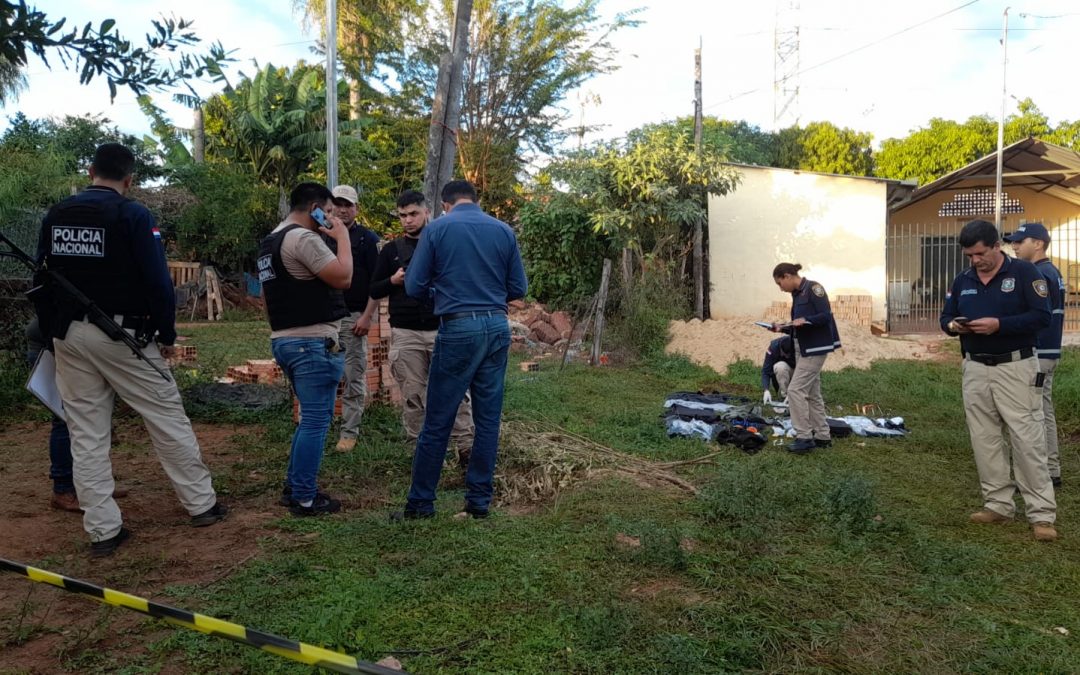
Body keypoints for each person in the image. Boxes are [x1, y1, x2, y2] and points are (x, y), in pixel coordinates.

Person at [35, 143, 226, 557]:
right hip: (124, 335)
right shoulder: (132, 214)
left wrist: (54, 331)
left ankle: (103, 529)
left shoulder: (57, 214)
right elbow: (158, 282)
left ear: (90, 170)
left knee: (85, 433)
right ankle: (201, 504)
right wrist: (167, 333)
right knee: (165, 415)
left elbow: (41, 279)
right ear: (129, 179)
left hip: (68, 335)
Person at [395, 180, 527, 520]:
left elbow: (413, 285)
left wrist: (442, 289)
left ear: (445, 205)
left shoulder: (437, 230)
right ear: (476, 201)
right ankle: (478, 503)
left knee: (438, 420)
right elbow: (518, 288)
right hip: (498, 327)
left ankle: (421, 504)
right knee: (487, 421)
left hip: (458, 327)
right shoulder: (503, 230)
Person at [941, 219, 1056, 542]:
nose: (975, 261)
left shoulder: (1024, 274)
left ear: (996, 246)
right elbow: (946, 317)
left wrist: (999, 325)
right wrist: (953, 327)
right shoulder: (963, 279)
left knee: (1026, 438)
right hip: (975, 368)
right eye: (969, 256)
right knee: (984, 437)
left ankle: (1042, 513)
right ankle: (998, 504)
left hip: (1015, 367)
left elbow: (1041, 316)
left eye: (980, 254)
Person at [258, 182, 353, 516]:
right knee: (315, 421)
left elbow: (266, 301)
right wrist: (341, 237)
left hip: (285, 340)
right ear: (313, 206)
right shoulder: (304, 238)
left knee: (307, 420)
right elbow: (342, 278)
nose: (331, 217)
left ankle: (295, 485)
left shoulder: (270, 242)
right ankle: (304, 498)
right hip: (312, 343)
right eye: (327, 211)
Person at [369, 190, 474, 453]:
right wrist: (392, 281)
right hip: (406, 332)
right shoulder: (391, 250)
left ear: (427, 212)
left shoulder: (443, 243)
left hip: (443, 328)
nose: (407, 220)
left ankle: (464, 447)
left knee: (456, 392)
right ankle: (420, 451)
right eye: (402, 215)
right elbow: (373, 289)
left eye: (413, 213)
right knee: (413, 394)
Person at [1005, 222, 1065, 490]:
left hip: (1039, 353)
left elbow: (1038, 318)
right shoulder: (1050, 271)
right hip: (1047, 352)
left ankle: (1040, 473)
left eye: (1021, 241)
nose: (1015, 246)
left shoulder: (1040, 274)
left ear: (1038, 243)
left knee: (1032, 413)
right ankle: (1050, 470)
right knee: (1042, 410)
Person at [328, 185, 380, 453]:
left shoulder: (367, 239)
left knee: (353, 374)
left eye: (348, 204)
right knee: (322, 373)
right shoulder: (322, 235)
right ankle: (320, 424)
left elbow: (377, 283)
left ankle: (349, 432)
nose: (343, 209)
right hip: (324, 319)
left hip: (353, 317)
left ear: (356, 208)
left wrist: (368, 317)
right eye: (338, 203)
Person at [771, 263, 841, 454]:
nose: (780, 288)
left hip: (816, 348)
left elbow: (826, 316)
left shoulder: (813, 289)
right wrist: (782, 327)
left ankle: (804, 437)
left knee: (795, 390)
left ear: (787, 276)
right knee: (812, 393)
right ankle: (822, 436)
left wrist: (807, 320)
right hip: (803, 347)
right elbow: (798, 324)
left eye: (779, 283)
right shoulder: (797, 294)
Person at [760, 334, 796, 405]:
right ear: (780, 349)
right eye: (785, 354)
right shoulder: (773, 348)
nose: (787, 357)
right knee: (779, 367)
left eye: (789, 355)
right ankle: (784, 396)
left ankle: (795, 396)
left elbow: (805, 370)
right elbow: (765, 372)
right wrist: (766, 390)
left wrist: (794, 391)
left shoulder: (798, 346)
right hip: (784, 372)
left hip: (799, 371)